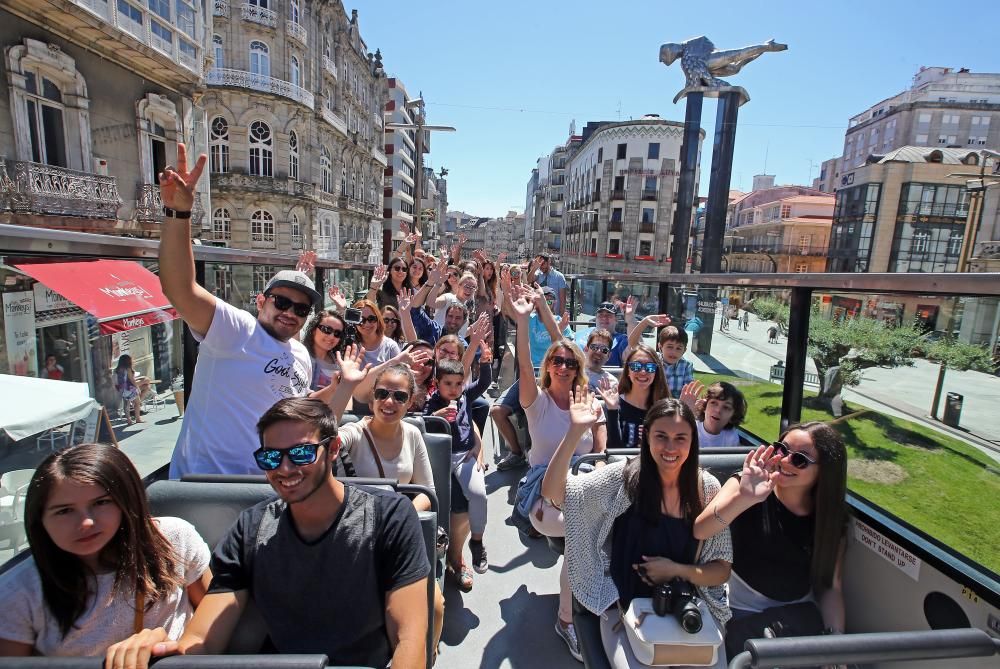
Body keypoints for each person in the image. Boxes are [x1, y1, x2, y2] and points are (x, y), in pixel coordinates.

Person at [106, 397, 430, 669]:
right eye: (271, 457)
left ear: (332, 450)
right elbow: (203, 639)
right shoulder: (251, 531)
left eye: (301, 453)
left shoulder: (389, 517)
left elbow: (409, 636)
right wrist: (161, 648)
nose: (285, 469)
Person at [156, 144, 347, 478]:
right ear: (261, 300)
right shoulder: (236, 329)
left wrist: (336, 387)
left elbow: (291, 407)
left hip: (269, 484)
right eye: (282, 302)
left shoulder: (301, 355)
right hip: (207, 484)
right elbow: (180, 289)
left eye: (301, 309)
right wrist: (179, 214)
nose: (291, 312)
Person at [541, 396, 733, 669]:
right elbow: (553, 493)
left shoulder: (706, 488)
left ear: (693, 441)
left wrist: (676, 571)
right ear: (647, 437)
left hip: (689, 605)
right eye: (661, 436)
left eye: (680, 438)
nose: (670, 447)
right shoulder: (624, 478)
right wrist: (574, 432)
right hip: (622, 604)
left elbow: (721, 569)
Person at [0, 443, 210, 657]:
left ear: (127, 501)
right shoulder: (16, 594)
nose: (86, 522)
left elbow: (212, 608)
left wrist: (177, 649)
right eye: (64, 511)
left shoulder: (173, 539)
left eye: (101, 502)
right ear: (40, 519)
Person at [509, 284, 608, 661]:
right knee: (585, 532)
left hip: (583, 489)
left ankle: (600, 602)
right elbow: (522, 366)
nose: (564, 367)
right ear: (548, 367)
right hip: (543, 495)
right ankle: (567, 620)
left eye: (571, 363)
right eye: (557, 362)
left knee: (598, 527)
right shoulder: (536, 402)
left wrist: (598, 450)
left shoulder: (586, 402)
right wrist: (521, 320)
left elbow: (601, 441)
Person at [693, 423, 847, 660]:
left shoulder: (829, 518)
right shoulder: (746, 483)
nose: (784, 461)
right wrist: (744, 498)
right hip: (741, 612)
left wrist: (835, 642)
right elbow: (701, 529)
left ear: (824, 471)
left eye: (800, 460)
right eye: (781, 449)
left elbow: (830, 586)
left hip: (798, 616)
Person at [334, 362, 444, 653]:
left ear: (411, 401)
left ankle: (426, 655)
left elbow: (427, 493)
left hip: (399, 535)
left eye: (399, 396)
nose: (389, 402)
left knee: (435, 608)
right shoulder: (354, 433)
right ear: (371, 399)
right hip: (355, 535)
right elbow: (322, 440)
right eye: (382, 393)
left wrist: (397, 519)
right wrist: (345, 386)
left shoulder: (412, 435)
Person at [425, 359, 491, 590]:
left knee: (479, 494)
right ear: (437, 383)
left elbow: (485, 381)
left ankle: (477, 541)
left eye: (458, 383)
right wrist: (436, 415)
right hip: (440, 457)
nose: (453, 389)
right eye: (448, 383)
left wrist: (485, 362)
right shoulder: (432, 403)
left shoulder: (465, 397)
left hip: (463, 456)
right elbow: (420, 423)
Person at [492, 283, 570, 472]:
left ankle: (536, 453)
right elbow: (510, 315)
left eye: (550, 300)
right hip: (530, 377)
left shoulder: (559, 321)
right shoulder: (529, 318)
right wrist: (505, 291)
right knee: (496, 411)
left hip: (551, 381)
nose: (548, 303)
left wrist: (555, 324)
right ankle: (518, 453)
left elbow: (562, 343)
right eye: (545, 300)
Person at [604, 345, 670, 449]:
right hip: (621, 463)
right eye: (636, 366)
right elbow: (613, 451)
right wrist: (612, 410)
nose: (643, 372)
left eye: (650, 367)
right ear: (628, 371)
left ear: (656, 372)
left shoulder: (665, 408)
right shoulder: (614, 403)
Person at [680, 381, 747, 448]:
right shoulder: (690, 429)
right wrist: (683, 416)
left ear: (733, 416)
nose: (718, 410)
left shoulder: (731, 436)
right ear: (704, 407)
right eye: (714, 403)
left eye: (726, 407)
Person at [575, 301, 637, 367]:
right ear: (595, 318)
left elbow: (634, 353)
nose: (604, 318)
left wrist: (630, 317)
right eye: (600, 315)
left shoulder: (622, 340)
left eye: (609, 315)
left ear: (616, 320)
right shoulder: (580, 334)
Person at [302, 309, 346, 391]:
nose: (331, 336)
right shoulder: (300, 358)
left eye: (337, 333)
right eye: (327, 330)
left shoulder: (339, 361)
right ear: (314, 330)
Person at [353, 299, 402, 367]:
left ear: (378, 319)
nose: (367, 324)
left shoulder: (391, 346)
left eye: (371, 319)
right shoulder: (350, 346)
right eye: (361, 320)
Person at [655, 326, 695, 399]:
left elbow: (689, 391)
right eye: (670, 347)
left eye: (678, 348)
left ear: (684, 351)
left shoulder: (686, 366)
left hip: (675, 406)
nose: (674, 352)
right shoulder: (653, 359)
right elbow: (635, 345)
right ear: (660, 347)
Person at [114, 354, 148, 425]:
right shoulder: (128, 369)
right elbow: (132, 380)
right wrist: (137, 387)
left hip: (122, 390)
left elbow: (115, 381)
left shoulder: (116, 370)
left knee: (126, 405)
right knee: (137, 402)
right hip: (129, 388)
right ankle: (138, 419)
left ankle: (129, 420)